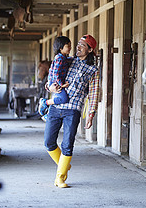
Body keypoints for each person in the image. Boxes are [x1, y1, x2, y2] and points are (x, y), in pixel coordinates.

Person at [44, 34, 99, 188]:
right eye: (78, 43)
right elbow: (51, 76)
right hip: (56, 106)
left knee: (67, 144)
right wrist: (49, 87)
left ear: (89, 49)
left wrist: (91, 114)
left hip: (73, 109)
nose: (78, 46)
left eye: (82, 45)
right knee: (48, 142)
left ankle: (60, 177)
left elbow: (94, 93)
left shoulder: (93, 70)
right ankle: (64, 164)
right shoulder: (66, 60)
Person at [38, 36, 73, 121]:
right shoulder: (59, 59)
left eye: (70, 45)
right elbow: (56, 73)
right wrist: (62, 84)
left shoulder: (63, 57)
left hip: (56, 82)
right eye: (68, 46)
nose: (70, 48)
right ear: (60, 48)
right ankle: (45, 102)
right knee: (63, 99)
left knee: (58, 99)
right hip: (55, 83)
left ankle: (47, 114)